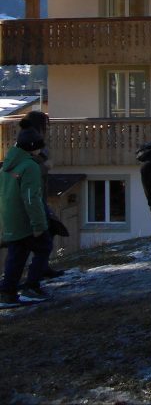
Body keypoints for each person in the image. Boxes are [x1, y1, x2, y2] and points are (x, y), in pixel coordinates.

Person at [0, 128, 51, 306]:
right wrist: (38, 224)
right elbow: (31, 198)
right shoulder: (30, 166)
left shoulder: (8, 164)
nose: (40, 151)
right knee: (44, 246)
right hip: (25, 219)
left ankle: (8, 292)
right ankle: (31, 286)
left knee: (16, 255)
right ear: (33, 147)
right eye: (39, 147)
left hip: (10, 218)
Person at [19, 111, 64, 280]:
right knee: (38, 239)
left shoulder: (32, 139)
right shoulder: (28, 141)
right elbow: (31, 169)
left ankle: (41, 268)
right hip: (33, 197)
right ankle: (32, 279)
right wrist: (46, 166)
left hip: (39, 195)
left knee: (49, 232)